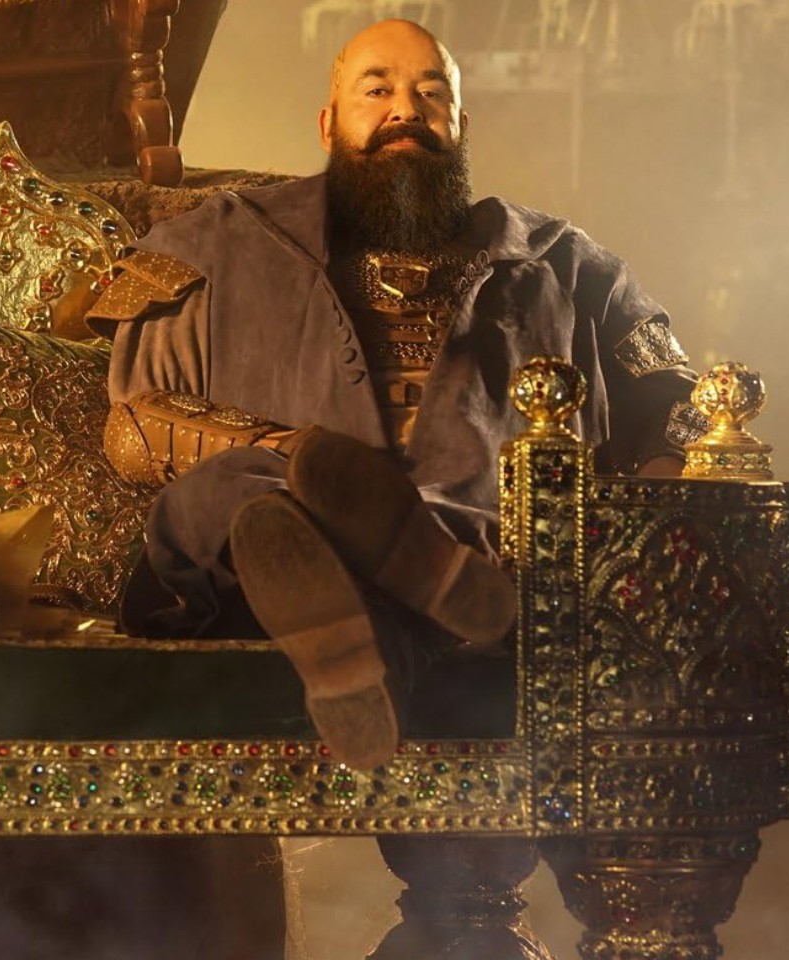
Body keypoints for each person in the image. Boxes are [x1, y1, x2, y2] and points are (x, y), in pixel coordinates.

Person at [82, 19, 704, 770]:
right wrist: (306, 459)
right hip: (263, 535)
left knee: (315, 523)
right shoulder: (214, 242)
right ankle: (387, 563)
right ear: (328, 125)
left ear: (461, 124)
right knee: (220, 500)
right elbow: (134, 423)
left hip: (488, 541)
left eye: (430, 93)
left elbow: (681, 407)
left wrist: (643, 536)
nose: (405, 108)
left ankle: (372, 624)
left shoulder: (569, 265)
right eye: (376, 90)